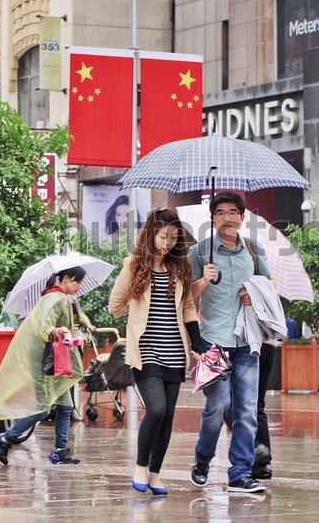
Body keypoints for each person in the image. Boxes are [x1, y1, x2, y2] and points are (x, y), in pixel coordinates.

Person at [109, 207, 205, 496]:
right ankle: (140, 466)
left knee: (167, 416)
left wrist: (197, 342)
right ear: (151, 235)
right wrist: (137, 309)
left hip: (175, 350)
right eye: (163, 236)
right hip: (146, 350)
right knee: (157, 409)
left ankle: (154, 473)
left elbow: (188, 306)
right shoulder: (133, 265)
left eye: (174, 237)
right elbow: (115, 307)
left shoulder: (179, 267)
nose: (168, 243)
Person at [189, 191, 271, 494]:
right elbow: (186, 298)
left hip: (247, 341)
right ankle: (203, 459)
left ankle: (239, 473)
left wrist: (255, 294)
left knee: (247, 411)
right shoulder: (199, 252)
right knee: (218, 404)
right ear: (213, 218)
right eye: (221, 212)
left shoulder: (253, 249)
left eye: (233, 212)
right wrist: (203, 280)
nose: (227, 217)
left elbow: (268, 286)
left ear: (241, 217)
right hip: (212, 342)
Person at [0, 266, 86, 466]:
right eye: (78, 282)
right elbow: (45, 328)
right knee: (43, 409)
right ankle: (4, 438)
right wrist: (62, 331)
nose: (79, 287)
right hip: (47, 364)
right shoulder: (56, 298)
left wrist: (68, 329)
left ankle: (60, 450)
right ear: (67, 279)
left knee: (65, 407)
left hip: (56, 362)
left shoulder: (57, 297)